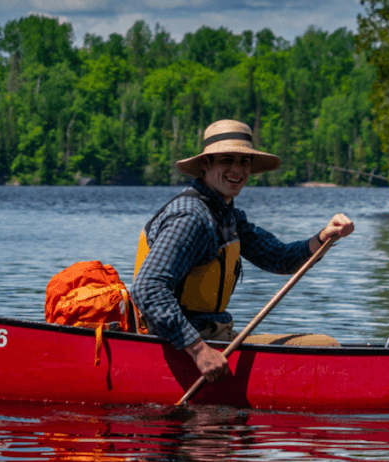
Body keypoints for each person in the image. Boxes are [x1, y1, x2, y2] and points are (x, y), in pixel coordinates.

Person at [130, 119, 354, 383]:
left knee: (322, 345)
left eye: (244, 161)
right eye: (227, 160)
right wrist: (200, 351)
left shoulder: (226, 215)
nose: (237, 170)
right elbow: (148, 288)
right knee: (324, 346)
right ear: (206, 164)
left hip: (216, 338)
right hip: (184, 347)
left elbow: (279, 258)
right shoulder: (191, 217)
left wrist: (324, 237)